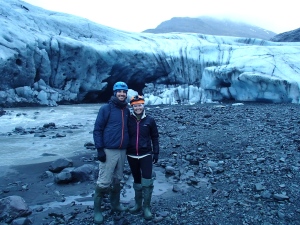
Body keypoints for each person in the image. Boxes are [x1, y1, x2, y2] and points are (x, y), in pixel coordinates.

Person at [93, 81, 130, 224]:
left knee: (117, 180)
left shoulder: (126, 111)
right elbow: (97, 129)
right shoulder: (106, 108)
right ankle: (97, 210)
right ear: (115, 93)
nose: (122, 94)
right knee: (104, 181)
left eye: (124, 92)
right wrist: (100, 149)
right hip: (109, 150)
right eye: (119, 91)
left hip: (122, 151)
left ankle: (115, 205)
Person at [126, 95, 159, 220]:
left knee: (147, 181)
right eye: (135, 105)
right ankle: (138, 204)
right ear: (132, 107)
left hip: (146, 154)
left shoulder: (150, 120)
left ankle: (146, 207)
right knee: (137, 181)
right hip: (131, 154)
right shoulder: (128, 120)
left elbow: (155, 137)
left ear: (143, 105)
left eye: (140, 105)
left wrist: (156, 152)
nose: (138, 107)